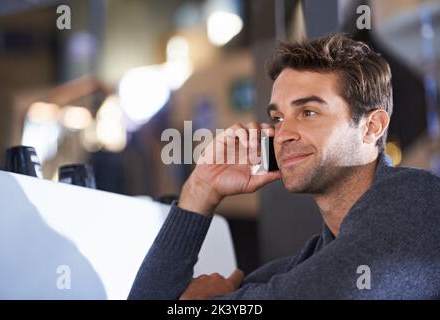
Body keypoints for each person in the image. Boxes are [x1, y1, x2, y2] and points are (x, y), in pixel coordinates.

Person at [128, 34, 440, 300]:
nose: (283, 134)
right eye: (278, 118)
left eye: (308, 112)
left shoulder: (418, 200)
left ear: (372, 127)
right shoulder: (303, 265)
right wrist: (201, 190)